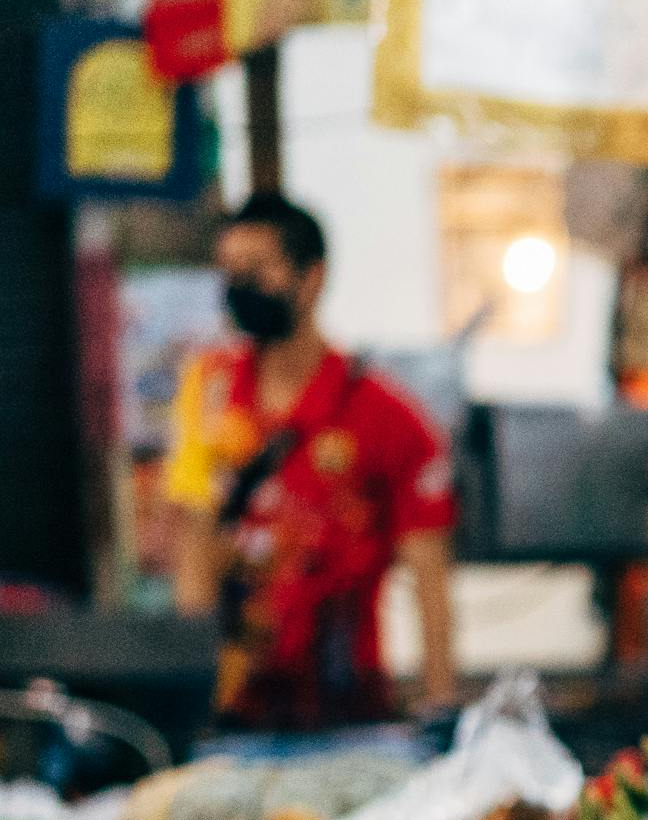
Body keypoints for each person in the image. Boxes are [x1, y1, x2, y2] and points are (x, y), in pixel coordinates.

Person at [165, 190, 458, 733]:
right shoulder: (210, 390)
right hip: (237, 704)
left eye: (259, 269)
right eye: (229, 271)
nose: (240, 287)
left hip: (349, 706)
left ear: (312, 277)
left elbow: (429, 579)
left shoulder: (388, 416)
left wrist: (440, 708)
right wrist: (189, 692)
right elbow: (195, 546)